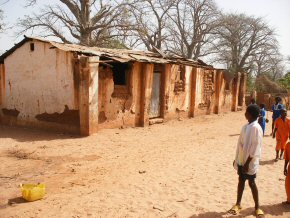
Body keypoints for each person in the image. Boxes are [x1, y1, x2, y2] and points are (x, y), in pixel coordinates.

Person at [228, 104, 264, 217]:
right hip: (241, 161)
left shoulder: (256, 128)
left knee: (252, 183)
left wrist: (247, 163)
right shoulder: (245, 126)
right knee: (241, 181)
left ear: (251, 114)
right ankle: (238, 204)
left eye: (246, 112)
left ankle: (257, 207)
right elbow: (240, 145)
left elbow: (255, 148)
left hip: (249, 163)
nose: (245, 114)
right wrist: (237, 160)